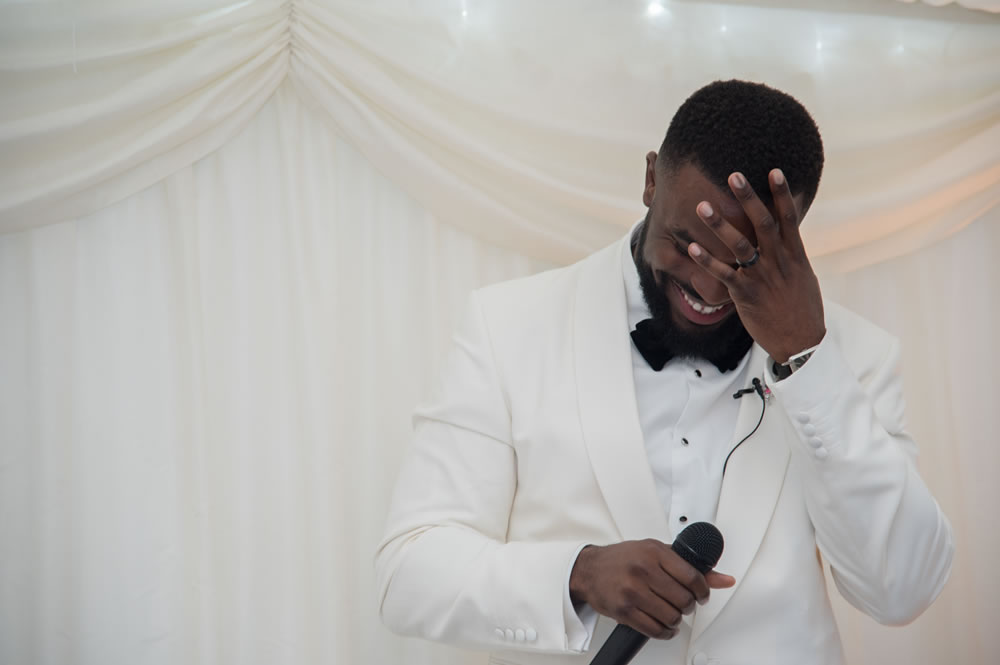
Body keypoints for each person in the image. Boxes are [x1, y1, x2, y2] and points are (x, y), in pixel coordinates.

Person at [374, 80, 954, 665]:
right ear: (651, 178)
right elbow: (409, 573)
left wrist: (807, 361)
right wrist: (576, 573)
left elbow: (901, 590)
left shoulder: (856, 355)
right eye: (685, 243)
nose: (706, 287)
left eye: (739, 258)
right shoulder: (508, 326)